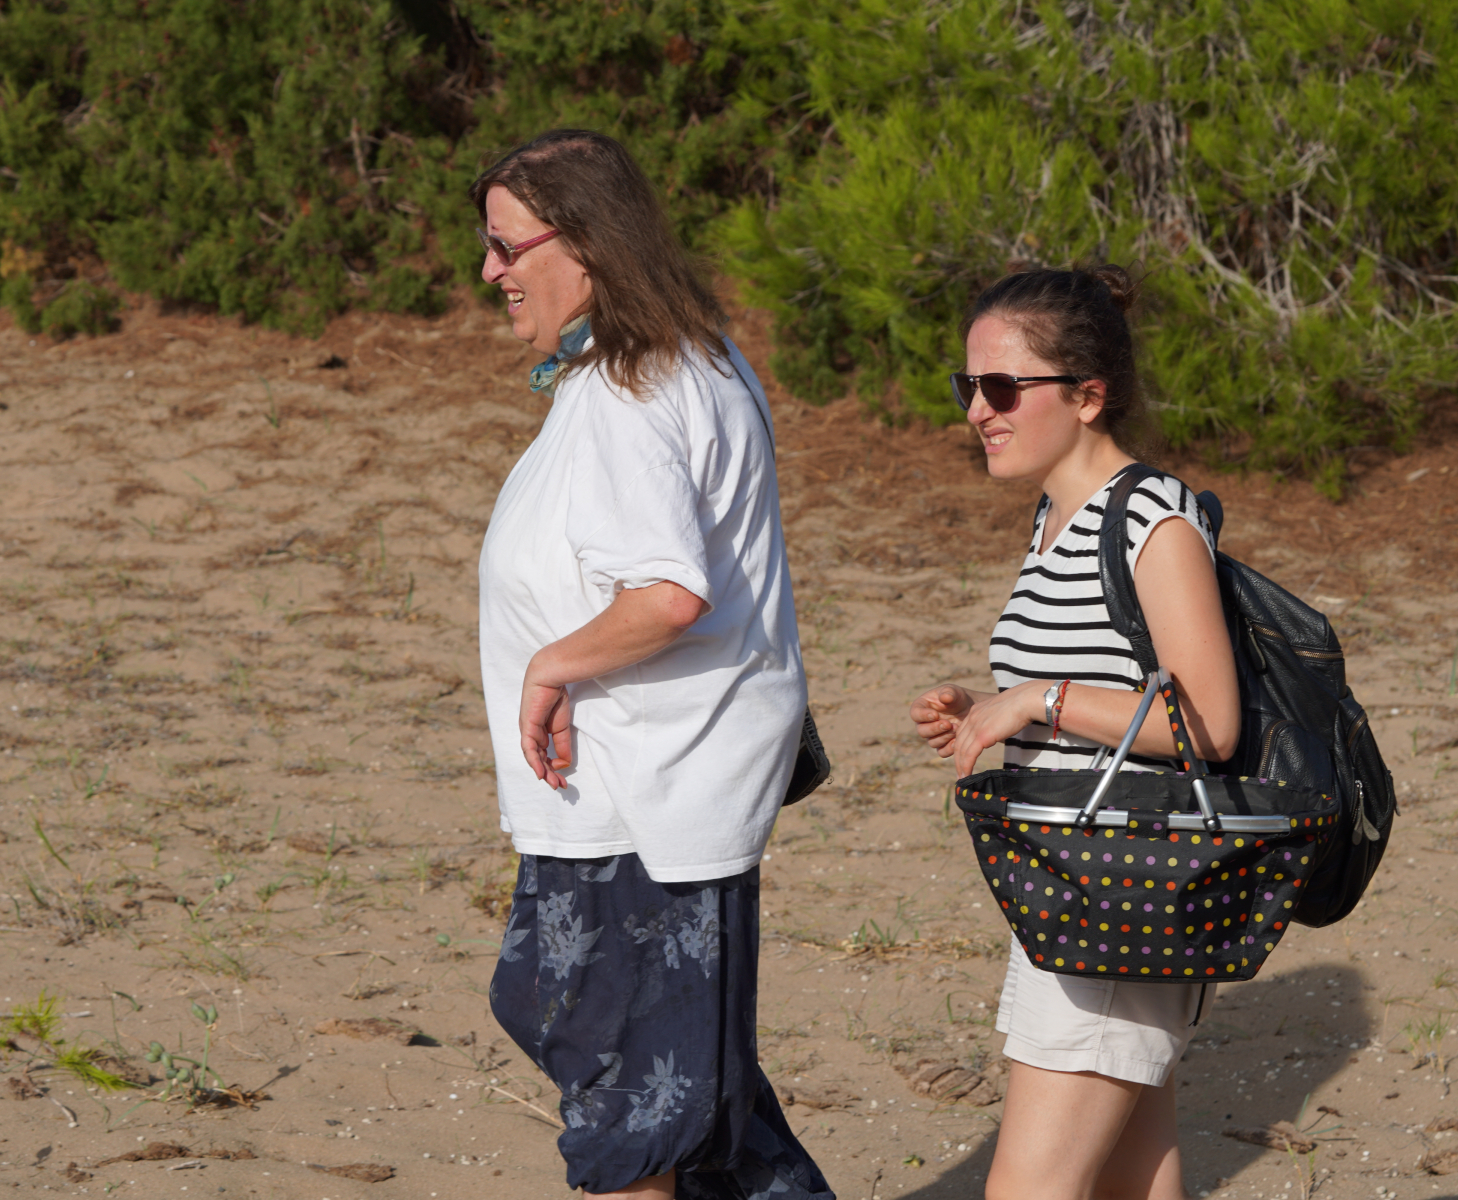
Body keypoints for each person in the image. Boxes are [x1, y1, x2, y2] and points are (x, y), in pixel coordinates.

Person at [473, 129, 834, 1200]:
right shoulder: (681, 361)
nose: (489, 271)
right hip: (649, 795)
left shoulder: (634, 388)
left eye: (506, 245)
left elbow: (669, 593)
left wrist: (551, 666)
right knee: (677, 1100)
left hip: (647, 802)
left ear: (584, 242)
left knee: (635, 1117)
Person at [908, 266, 1241, 1200]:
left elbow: (1207, 721)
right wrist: (989, 708)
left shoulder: (1152, 520)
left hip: (1122, 896)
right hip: (1075, 888)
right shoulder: (1056, 518)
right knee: (1134, 1183)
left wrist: (1039, 700)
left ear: (1087, 396)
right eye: (968, 385)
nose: (978, 409)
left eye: (1001, 387)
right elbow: (1110, 692)